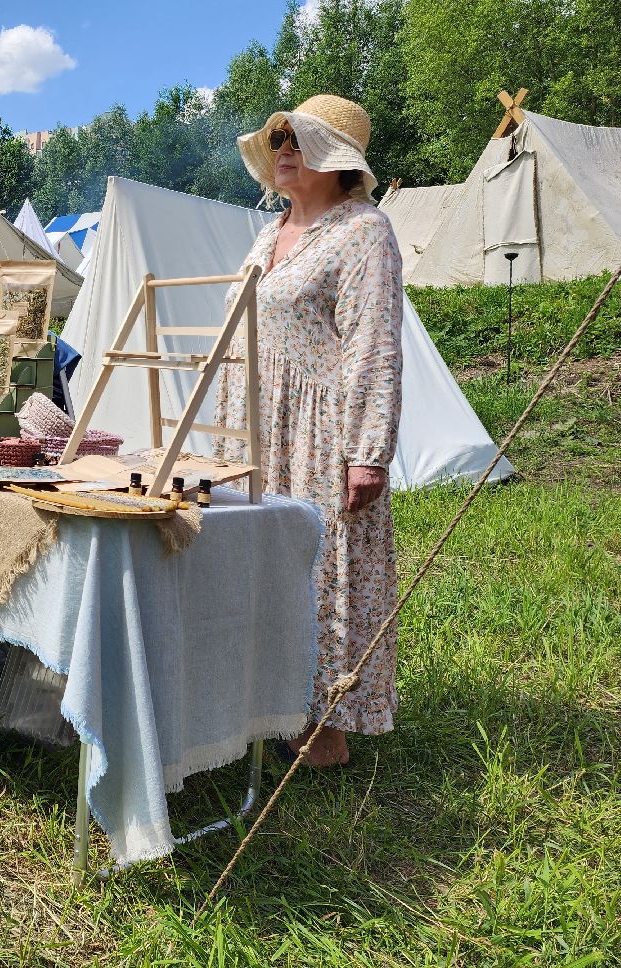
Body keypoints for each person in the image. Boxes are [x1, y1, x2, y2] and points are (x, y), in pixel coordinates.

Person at [214, 94, 403, 768]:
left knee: (322, 569)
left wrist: (367, 454)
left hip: (320, 432)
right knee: (261, 563)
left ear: (337, 159)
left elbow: (373, 345)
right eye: (279, 138)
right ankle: (269, 705)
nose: (283, 148)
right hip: (253, 425)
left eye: (299, 139)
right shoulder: (269, 234)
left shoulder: (363, 232)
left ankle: (326, 731)